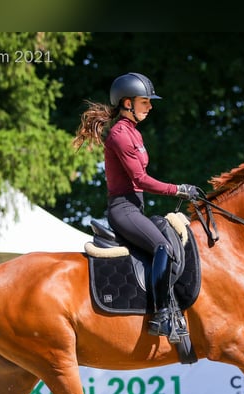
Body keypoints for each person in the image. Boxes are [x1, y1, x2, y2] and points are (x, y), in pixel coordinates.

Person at [73, 72, 199, 339]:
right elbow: (140, 179)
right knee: (162, 247)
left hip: (135, 208)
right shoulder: (120, 134)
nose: (150, 106)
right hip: (123, 210)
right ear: (127, 103)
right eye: (145, 101)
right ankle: (161, 315)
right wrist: (179, 189)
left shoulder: (133, 133)